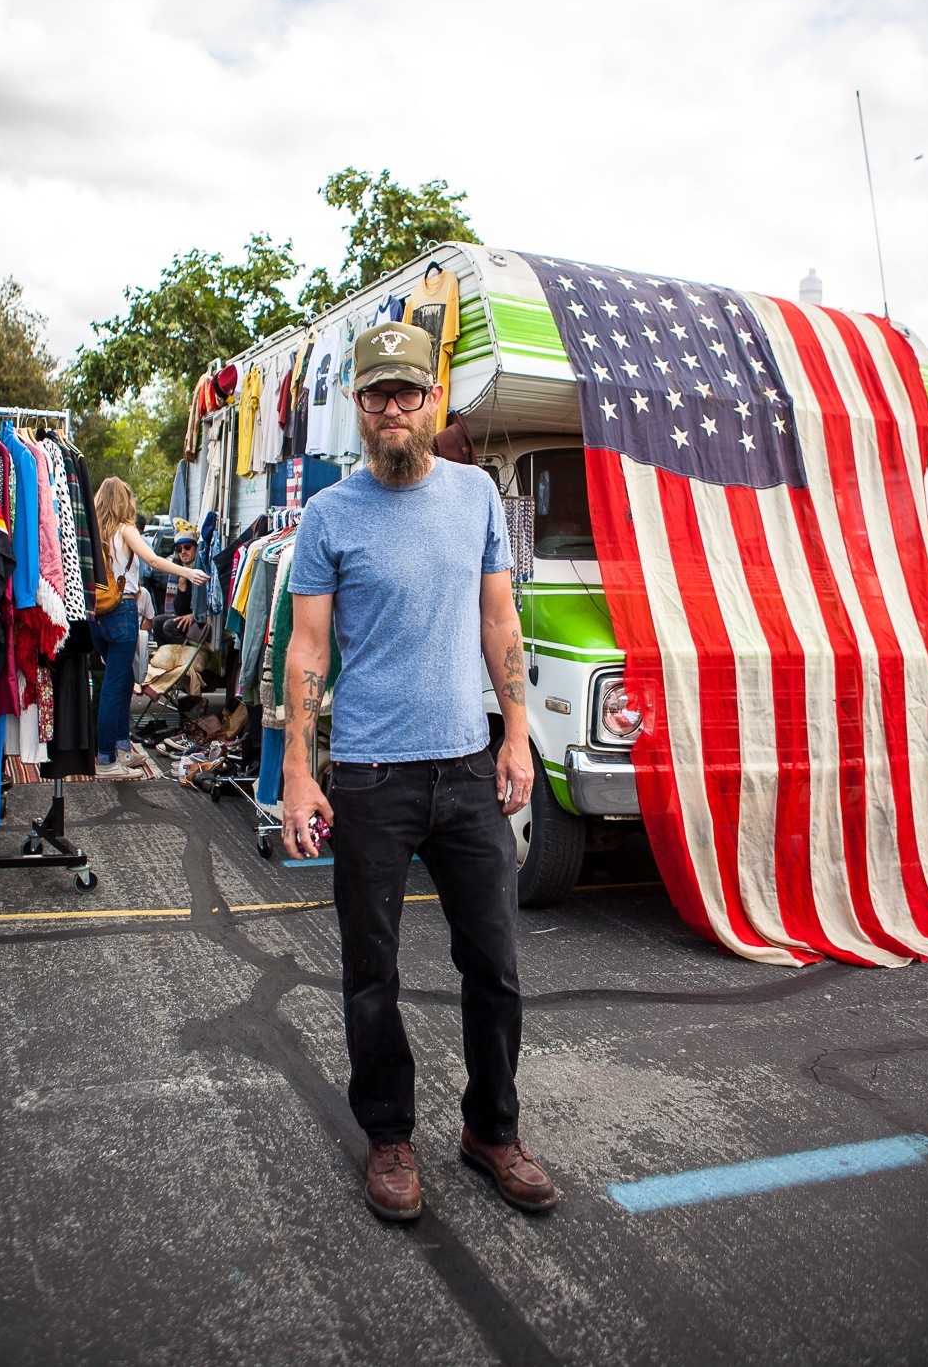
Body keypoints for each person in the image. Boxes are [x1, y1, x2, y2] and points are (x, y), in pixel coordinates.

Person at [283, 321, 557, 1223]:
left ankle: (493, 1130)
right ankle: (390, 1135)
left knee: (497, 966)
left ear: (432, 398)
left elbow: (500, 625)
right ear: (356, 406)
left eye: (407, 394)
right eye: (376, 396)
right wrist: (298, 769)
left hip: (467, 768)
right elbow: (308, 649)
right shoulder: (328, 515)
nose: (393, 410)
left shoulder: (477, 493)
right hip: (368, 775)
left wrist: (517, 735)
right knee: (372, 972)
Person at [92, 478, 207, 777]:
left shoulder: (93, 531)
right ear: (123, 500)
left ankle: (120, 747)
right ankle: (105, 760)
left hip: (96, 614)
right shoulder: (124, 529)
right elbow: (153, 559)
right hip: (122, 610)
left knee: (120, 681)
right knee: (114, 687)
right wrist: (187, 571)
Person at [151, 525, 206, 645]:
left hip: (203, 619)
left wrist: (194, 615)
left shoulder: (202, 569)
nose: (183, 552)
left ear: (196, 548)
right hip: (189, 618)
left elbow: (211, 601)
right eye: (179, 549)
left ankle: (189, 656)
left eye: (187, 547)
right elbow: (180, 611)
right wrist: (182, 586)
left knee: (169, 626)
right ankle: (168, 657)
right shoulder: (182, 573)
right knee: (157, 621)